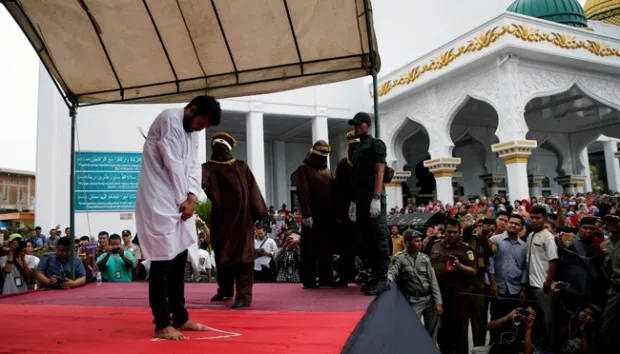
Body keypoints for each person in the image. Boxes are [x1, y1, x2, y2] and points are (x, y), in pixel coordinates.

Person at [135, 95, 221, 340]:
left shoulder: (192, 131)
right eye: (200, 124)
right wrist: (186, 201)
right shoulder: (170, 119)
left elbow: (194, 165)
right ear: (192, 109)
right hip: (159, 197)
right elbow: (173, 164)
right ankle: (162, 323)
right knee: (163, 261)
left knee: (181, 254)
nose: (199, 130)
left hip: (182, 199)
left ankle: (180, 317)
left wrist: (192, 197)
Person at [202, 132, 268, 309]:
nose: (219, 146)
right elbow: (200, 182)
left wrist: (259, 212)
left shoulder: (241, 165)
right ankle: (224, 290)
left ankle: (243, 297)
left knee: (243, 258)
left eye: (222, 143)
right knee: (222, 255)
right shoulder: (207, 167)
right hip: (221, 220)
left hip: (243, 220)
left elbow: (253, 187)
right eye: (216, 143)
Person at [348, 112, 392, 296]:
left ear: (367, 125)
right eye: (355, 125)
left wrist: (376, 197)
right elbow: (356, 177)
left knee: (378, 237)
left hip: (373, 196)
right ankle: (374, 275)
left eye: (359, 125)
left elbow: (380, 171)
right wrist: (353, 201)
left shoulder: (376, 144)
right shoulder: (357, 149)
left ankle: (382, 277)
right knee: (367, 239)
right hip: (360, 197)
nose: (356, 128)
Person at [430, 218, 477, 354]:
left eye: (455, 232)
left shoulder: (465, 249)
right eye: (449, 232)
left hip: (459, 296)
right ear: (444, 231)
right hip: (440, 295)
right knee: (442, 330)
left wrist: (460, 266)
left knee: (460, 331)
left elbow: (474, 271)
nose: (451, 235)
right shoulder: (436, 246)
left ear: (459, 232)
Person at [388, 229, 443, 343]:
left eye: (420, 241)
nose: (420, 243)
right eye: (416, 241)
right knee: (411, 330)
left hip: (429, 300)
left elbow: (433, 281)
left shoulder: (424, 258)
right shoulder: (399, 258)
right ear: (408, 243)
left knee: (432, 333)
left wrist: (438, 302)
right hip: (414, 300)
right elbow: (392, 274)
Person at [295, 140, 334, 288]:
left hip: (327, 216)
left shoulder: (327, 170)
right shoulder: (303, 168)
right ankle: (309, 280)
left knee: (327, 248)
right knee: (310, 249)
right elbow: (303, 193)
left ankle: (326, 278)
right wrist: (306, 214)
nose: (324, 157)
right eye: (321, 154)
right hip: (312, 215)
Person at [332, 130, 363, 286]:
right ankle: (345, 275)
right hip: (346, 213)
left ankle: (366, 274)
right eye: (352, 147)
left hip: (365, 210)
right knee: (345, 246)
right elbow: (337, 188)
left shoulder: (369, 162)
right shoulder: (343, 164)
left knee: (365, 244)